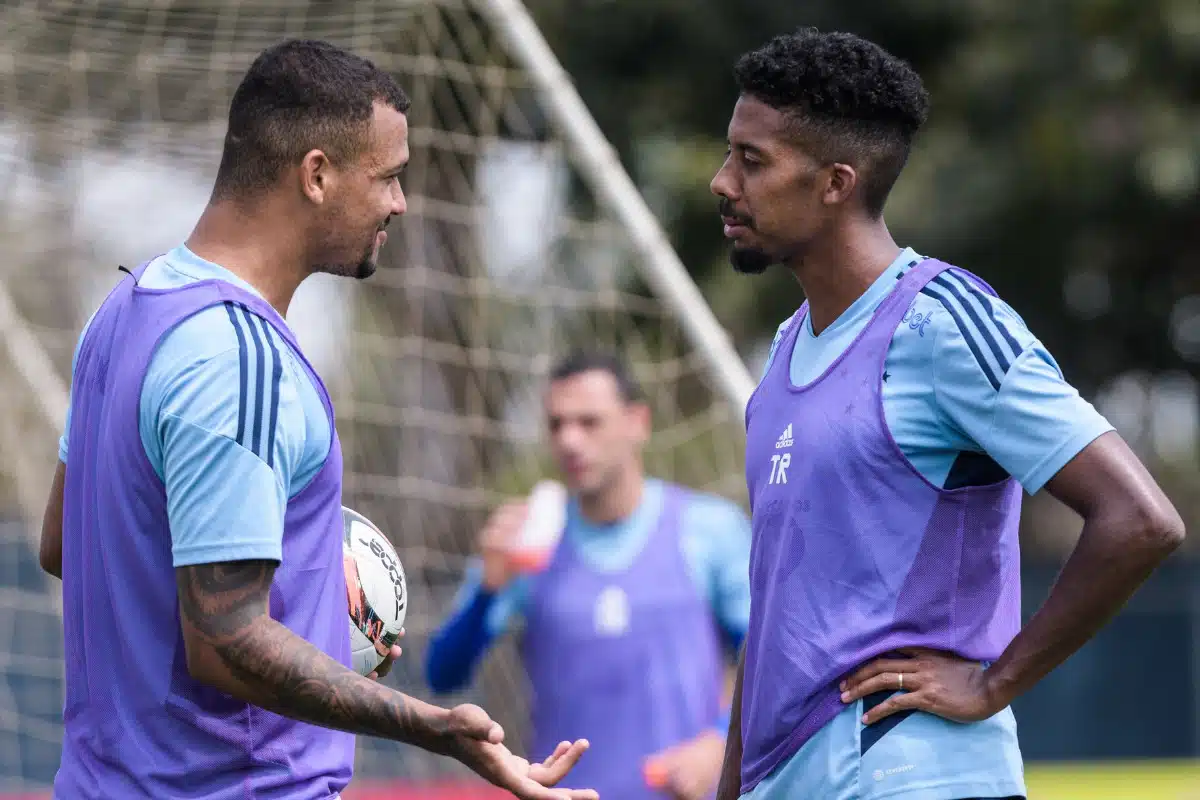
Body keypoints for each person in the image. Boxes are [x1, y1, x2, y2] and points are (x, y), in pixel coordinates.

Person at [38, 39, 596, 800]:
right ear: (317, 174)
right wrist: (434, 727)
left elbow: (64, 542)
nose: (400, 203)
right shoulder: (237, 357)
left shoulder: (124, 311)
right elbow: (226, 639)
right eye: (388, 177)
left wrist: (296, 582)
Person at [708, 29, 1185, 800]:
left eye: (751, 160)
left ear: (835, 183)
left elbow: (1140, 520)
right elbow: (776, 610)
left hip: (909, 774)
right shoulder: (787, 346)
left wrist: (995, 682)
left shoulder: (941, 324)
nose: (722, 182)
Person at [425, 352, 752, 800]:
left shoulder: (708, 529)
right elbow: (442, 675)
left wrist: (718, 744)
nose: (570, 440)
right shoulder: (530, 541)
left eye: (589, 422)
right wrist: (487, 590)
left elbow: (769, 661)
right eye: (557, 425)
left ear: (638, 422)